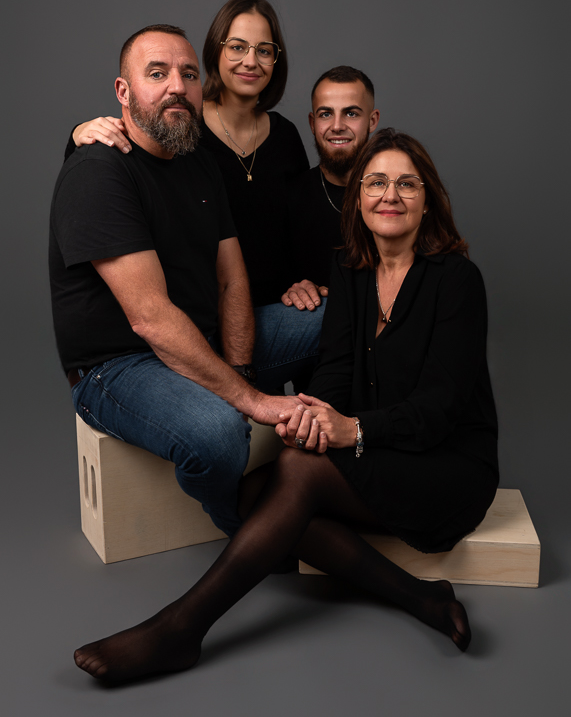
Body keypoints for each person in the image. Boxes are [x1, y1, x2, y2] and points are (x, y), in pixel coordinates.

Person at [74, 128, 499, 683]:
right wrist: (313, 417)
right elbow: (336, 369)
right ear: (358, 197)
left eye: (406, 184)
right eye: (376, 182)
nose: (389, 195)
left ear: (428, 198)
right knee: (253, 492)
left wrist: (354, 431)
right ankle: (420, 596)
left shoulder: (457, 279)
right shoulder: (350, 269)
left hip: (445, 463)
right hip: (382, 450)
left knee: (294, 473)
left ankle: (181, 627)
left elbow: (441, 407)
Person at [50, 24, 302, 538]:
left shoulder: (198, 163)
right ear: (123, 92)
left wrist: (240, 372)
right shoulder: (98, 171)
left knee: (339, 320)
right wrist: (251, 401)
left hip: (202, 337)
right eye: (157, 73)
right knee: (219, 434)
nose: (177, 87)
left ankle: (328, 468)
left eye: (188, 74)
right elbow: (151, 318)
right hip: (119, 366)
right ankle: (261, 535)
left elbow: (231, 280)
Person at [68, 0, 321, 389]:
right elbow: (123, 159)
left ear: (276, 60)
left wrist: (303, 280)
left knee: (344, 319)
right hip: (198, 314)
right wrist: (78, 134)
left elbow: (302, 223)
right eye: (237, 47)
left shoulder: (285, 134)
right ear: (215, 53)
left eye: (264, 50)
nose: (251, 61)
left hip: (268, 308)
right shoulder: (181, 122)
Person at [282, 66, 379, 312]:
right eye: (326, 114)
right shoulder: (288, 197)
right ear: (312, 123)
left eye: (351, 114)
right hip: (317, 321)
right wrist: (295, 289)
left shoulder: (393, 195)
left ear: (372, 121)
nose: (337, 126)